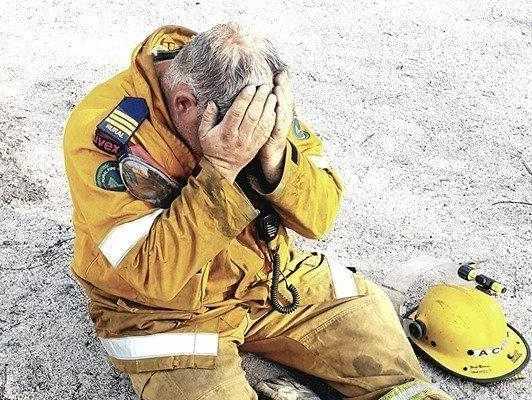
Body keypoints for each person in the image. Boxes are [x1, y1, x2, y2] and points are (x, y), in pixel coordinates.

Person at [63, 23, 452, 400]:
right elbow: (150, 272)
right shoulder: (107, 132)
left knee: (394, 373)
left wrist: (278, 160)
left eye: (259, 127)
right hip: (167, 314)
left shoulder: (250, 94)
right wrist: (222, 168)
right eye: (242, 130)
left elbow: (320, 217)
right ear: (184, 103)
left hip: (271, 277)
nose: (251, 139)